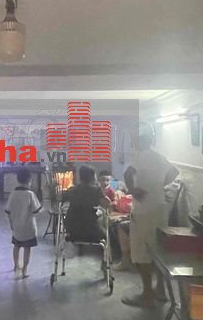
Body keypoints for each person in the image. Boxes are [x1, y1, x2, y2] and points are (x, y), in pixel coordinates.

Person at [121, 122, 179, 308]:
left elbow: (128, 173)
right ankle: (160, 290)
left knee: (141, 252)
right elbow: (174, 172)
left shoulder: (140, 155)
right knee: (158, 249)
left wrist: (133, 190)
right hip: (160, 208)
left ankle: (146, 295)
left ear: (138, 140)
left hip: (143, 209)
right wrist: (158, 187)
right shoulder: (159, 156)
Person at [5, 168, 42, 278]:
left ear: (17, 179)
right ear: (30, 180)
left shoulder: (13, 194)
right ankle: (25, 269)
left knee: (16, 246)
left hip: (16, 227)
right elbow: (36, 210)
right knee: (27, 248)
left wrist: (11, 223)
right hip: (28, 228)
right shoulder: (30, 194)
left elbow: (8, 210)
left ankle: (16, 265)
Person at [63, 165, 112, 244]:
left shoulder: (73, 190)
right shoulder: (96, 190)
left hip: (71, 230)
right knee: (109, 233)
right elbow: (107, 203)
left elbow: (60, 199)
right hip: (90, 230)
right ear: (93, 177)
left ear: (80, 177)